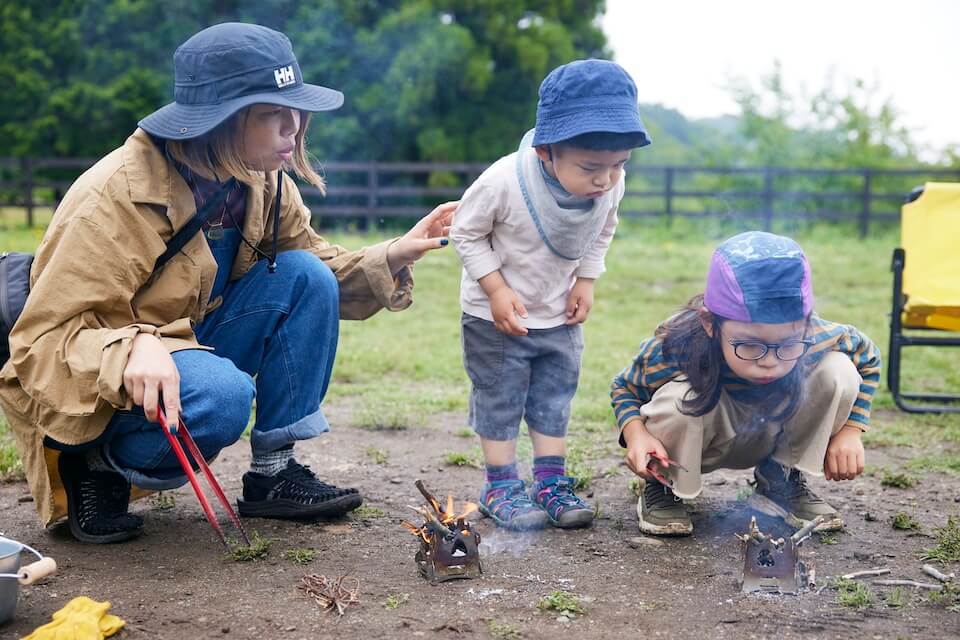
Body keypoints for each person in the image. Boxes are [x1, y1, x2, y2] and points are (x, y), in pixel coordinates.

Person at [0, 23, 456, 543]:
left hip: (188, 342)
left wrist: (391, 254)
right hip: (105, 373)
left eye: (298, 110)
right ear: (220, 120)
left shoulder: (258, 176)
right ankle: (97, 464)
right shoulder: (112, 198)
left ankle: (273, 474)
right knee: (222, 397)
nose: (296, 128)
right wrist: (132, 350)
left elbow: (310, 268)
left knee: (306, 277)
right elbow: (41, 340)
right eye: (273, 115)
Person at [450, 59, 651, 530]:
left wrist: (586, 280)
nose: (605, 179)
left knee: (554, 396)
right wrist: (496, 290)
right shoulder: (503, 181)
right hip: (495, 318)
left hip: (558, 313)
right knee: (500, 397)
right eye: (591, 167)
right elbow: (466, 232)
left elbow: (603, 230)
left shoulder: (608, 188)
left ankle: (550, 482)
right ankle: (500, 485)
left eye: (619, 165)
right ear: (546, 151)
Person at [611, 231, 881, 536]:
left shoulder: (820, 336)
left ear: (806, 325)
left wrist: (850, 432)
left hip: (775, 433)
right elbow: (625, 387)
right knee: (677, 400)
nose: (770, 361)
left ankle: (779, 481)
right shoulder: (678, 346)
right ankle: (664, 487)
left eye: (788, 344)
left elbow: (868, 359)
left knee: (839, 370)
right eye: (750, 345)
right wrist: (636, 436)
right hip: (703, 443)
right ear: (710, 323)